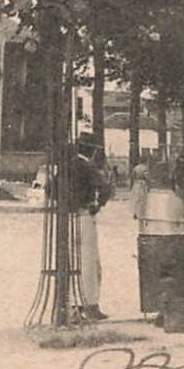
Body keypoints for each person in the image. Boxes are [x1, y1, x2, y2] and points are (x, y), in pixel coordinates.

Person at [71, 133, 113, 321]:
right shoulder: (87, 167)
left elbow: (50, 188)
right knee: (89, 263)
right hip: (85, 216)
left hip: (67, 219)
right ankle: (90, 305)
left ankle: (73, 305)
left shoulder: (67, 165)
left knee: (72, 261)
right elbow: (105, 188)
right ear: (91, 150)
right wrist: (97, 204)